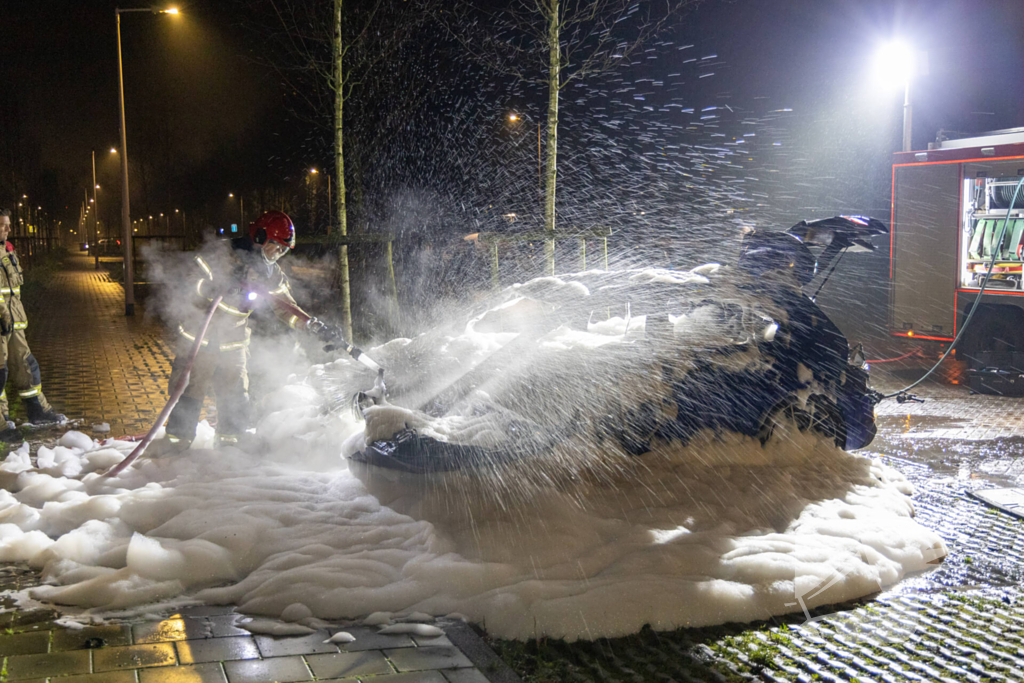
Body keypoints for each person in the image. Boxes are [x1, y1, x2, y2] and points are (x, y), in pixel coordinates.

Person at [151, 210, 338, 454]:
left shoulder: (271, 274)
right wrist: (223, 282)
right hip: (199, 338)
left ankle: (231, 446)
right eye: (276, 247)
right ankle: (177, 444)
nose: (279, 255)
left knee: (235, 394)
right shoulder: (219, 255)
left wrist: (311, 325)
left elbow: (286, 307)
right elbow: (190, 286)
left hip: (233, 344)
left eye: (283, 250)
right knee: (189, 390)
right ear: (260, 237)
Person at [0, 209, 66, 438]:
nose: (8, 229)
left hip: (13, 324)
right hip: (1, 322)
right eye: (2, 225)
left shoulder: (7, 251)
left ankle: (37, 410)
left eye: (8, 224)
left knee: (26, 366)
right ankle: (1, 423)